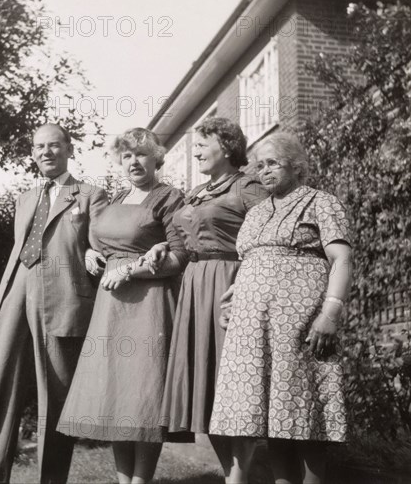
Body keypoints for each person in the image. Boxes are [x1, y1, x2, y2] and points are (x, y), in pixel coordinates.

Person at [209, 132, 352, 484]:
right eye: (260, 165)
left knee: (305, 419)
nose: (264, 171)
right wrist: (233, 300)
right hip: (253, 330)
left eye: (273, 163)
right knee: (274, 421)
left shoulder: (321, 203)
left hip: (299, 324)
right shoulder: (257, 212)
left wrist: (329, 313)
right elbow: (252, 263)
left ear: (298, 167)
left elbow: (342, 259)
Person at [0, 123, 109, 484]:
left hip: (62, 297)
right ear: (32, 153)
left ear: (69, 149)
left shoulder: (91, 195)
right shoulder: (25, 197)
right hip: (17, 290)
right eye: (39, 147)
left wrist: (93, 251)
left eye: (54, 146)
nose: (46, 152)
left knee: (56, 400)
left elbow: (99, 243)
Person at [57, 128, 188, 484]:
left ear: (156, 158)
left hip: (148, 305)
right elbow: (96, 238)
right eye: (127, 155)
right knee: (115, 392)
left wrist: (131, 272)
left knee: (144, 393)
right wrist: (90, 251)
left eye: (141, 154)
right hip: (110, 306)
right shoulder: (114, 198)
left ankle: (141, 481)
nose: (134, 161)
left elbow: (179, 256)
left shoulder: (169, 197)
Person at [148, 116, 268, 484]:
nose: (195, 150)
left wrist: (249, 286)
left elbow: (271, 242)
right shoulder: (196, 193)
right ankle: (232, 475)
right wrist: (160, 247)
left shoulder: (248, 187)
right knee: (209, 388)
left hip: (232, 286)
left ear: (228, 146)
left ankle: (239, 477)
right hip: (195, 288)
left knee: (233, 385)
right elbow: (184, 248)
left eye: (202, 143)